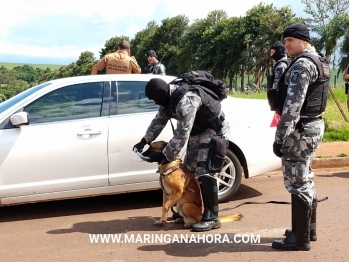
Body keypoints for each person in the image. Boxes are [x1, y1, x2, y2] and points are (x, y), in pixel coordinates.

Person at [132, 76, 229, 232]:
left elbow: (182, 134)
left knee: (205, 171)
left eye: (154, 99)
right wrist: (145, 140)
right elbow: (159, 120)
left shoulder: (186, 101)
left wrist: (163, 155)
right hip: (197, 131)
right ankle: (188, 208)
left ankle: (211, 217)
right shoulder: (168, 98)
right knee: (190, 169)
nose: (154, 102)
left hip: (214, 130)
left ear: (161, 95)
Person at [271, 23, 330, 251]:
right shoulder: (319, 61)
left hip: (301, 130)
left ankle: (299, 239)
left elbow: (292, 107)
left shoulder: (302, 65)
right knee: (306, 177)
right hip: (314, 126)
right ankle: (307, 230)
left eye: (290, 41)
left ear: (303, 41)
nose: (286, 45)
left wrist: (279, 138)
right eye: (285, 41)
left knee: (297, 182)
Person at [267, 42, 289, 112]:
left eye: (273, 52)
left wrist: (275, 101)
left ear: (279, 51)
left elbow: (277, 85)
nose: (271, 55)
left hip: (281, 100)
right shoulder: (285, 62)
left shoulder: (281, 65)